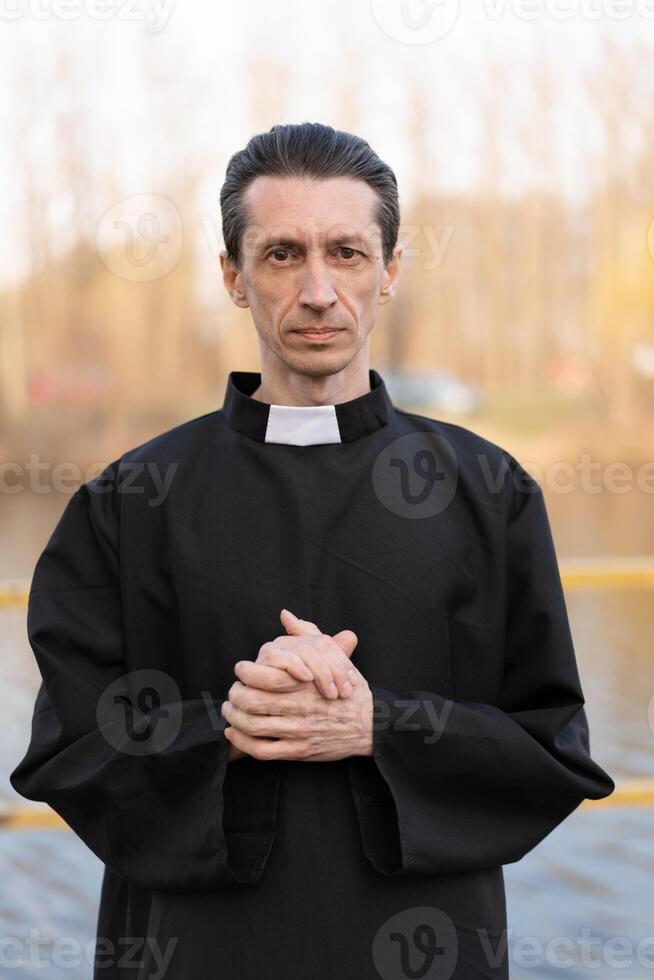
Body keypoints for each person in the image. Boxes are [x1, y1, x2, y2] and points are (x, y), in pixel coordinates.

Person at [11, 121, 615, 980]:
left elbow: (554, 754)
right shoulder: (128, 501)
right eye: (283, 255)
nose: (320, 291)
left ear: (392, 270)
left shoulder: (490, 491)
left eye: (348, 252)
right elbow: (67, 752)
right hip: (193, 953)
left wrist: (380, 727)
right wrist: (233, 726)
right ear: (232, 276)